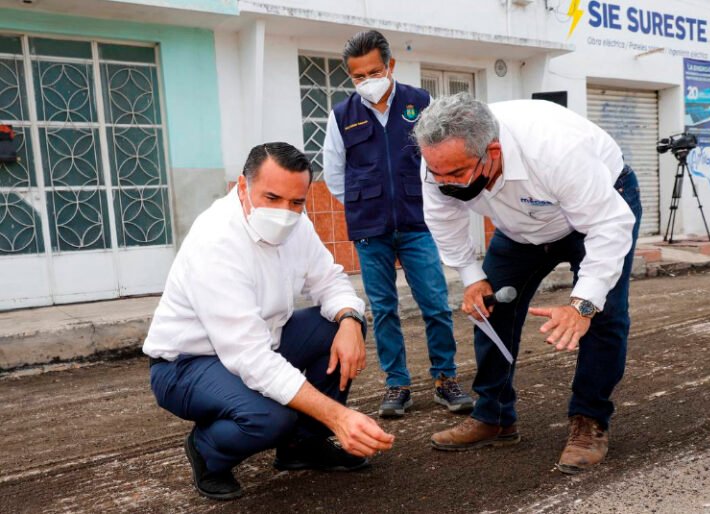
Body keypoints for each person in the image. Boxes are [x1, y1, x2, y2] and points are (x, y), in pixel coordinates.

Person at [143, 142, 394, 500]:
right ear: (242, 188)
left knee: (335, 327)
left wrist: (351, 319)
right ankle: (207, 451)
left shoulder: (296, 222)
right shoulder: (216, 241)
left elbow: (329, 280)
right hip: (186, 365)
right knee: (273, 418)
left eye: (296, 202)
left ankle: (302, 448)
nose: (285, 213)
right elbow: (251, 358)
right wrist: (338, 417)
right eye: (272, 198)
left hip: (264, 341)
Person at [413, 93, 642, 474]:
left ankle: (590, 419)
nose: (446, 183)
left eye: (457, 174)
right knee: (489, 309)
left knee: (604, 313)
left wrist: (582, 304)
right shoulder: (438, 161)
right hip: (519, 226)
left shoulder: (556, 150)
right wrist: (472, 278)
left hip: (596, 210)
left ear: (494, 151)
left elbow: (607, 226)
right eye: (438, 174)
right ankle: (494, 414)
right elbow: (443, 220)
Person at [323, 30, 473, 418]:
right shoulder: (342, 116)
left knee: (436, 304)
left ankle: (445, 379)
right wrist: (365, 203)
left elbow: (440, 157)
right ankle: (397, 385)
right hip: (370, 226)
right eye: (358, 77)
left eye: (374, 71)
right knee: (384, 309)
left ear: (390, 66)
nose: (367, 81)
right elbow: (335, 175)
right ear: (350, 77)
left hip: (417, 222)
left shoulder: (421, 103)